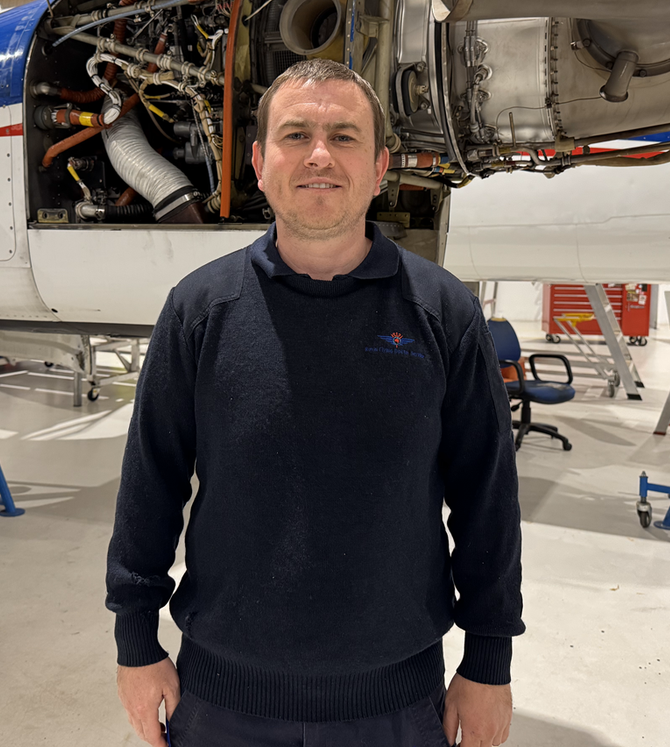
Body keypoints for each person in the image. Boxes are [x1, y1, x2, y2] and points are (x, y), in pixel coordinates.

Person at [106, 58, 523, 747]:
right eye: (295, 135)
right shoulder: (200, 309)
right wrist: (134, 641)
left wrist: (489, 659)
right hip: (218, 699)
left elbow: (487, 498)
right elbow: (150, 482)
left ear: (382, 165)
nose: (320, 155)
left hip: (395, 702)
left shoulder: (443, 311)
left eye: (345, 136)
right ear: (261, 163)